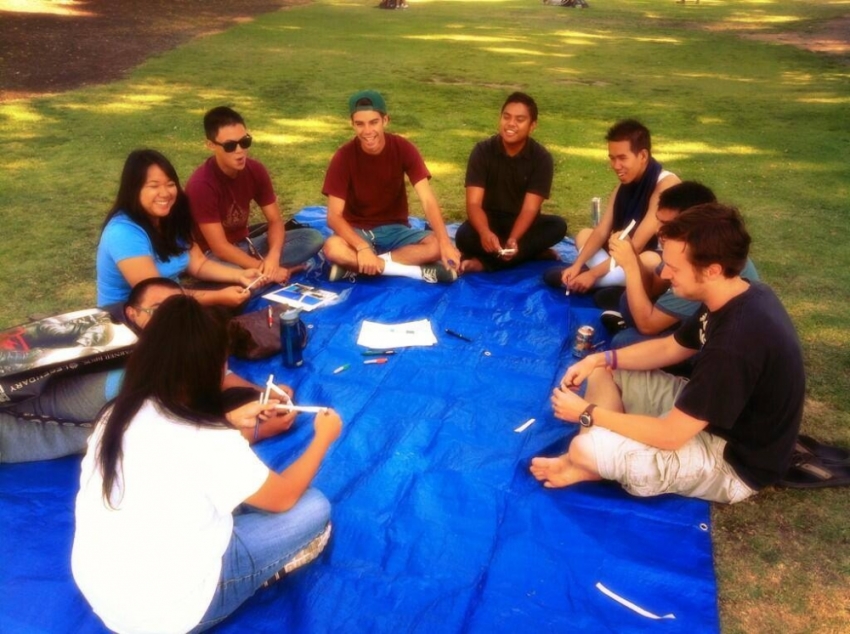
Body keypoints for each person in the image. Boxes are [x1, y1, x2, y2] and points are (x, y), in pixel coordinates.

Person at [72, 294, 341, 633]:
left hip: (103, 588)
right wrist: (323, 438)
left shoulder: (117, 413)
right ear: (207, 369)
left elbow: (184, 453)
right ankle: (259, 573)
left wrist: (230, 421)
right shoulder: (206, 439)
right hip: (170, 613)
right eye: (224, 364)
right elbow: (284, 497)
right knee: (314, 507)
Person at [530, 203, 805, 503]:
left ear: (712, 270)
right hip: (707, 420)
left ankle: (589, 459)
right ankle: (597, 456)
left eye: (674, 266)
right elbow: (669, 346)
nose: (663, 272)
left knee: (582, 448)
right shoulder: (736, 292)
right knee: (601, 371)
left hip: (730, 460)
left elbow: (670, 434)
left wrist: (587, 413)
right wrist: (598, 358)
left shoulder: (735, 344)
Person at [0, 278, 297, 464]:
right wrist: (252, 429)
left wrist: (262, 392)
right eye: (158, 310)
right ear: (132, 313)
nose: (169, 319)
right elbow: (171, 443)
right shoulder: (127, 374)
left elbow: (213, 376)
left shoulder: (156, 349)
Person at [321, 90, 461, 284]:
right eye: (360, 124)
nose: (367, 131)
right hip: (357, 230)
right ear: (352, 124)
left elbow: (428, 200)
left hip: (395, 230)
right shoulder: (343, 157)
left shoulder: (403, 148)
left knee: (438, 244)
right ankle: (414, 272)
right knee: (332, 247)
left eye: (373, 122)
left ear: (385, 120)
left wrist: (445, 243)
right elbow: (333, 216)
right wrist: (362, 248)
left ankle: (358, 268)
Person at [97, 149, 266, 307]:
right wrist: (218, 296)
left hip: (173, 307)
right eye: (154, 186)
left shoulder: (171, 216)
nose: (165, 193)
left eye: (170, 184)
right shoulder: (123, 233)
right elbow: (157, 296)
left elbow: (198, 264)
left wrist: (240, 275)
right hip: (130, 315)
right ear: (134, 190)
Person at [605, 181, 759, 348]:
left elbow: (648, 326)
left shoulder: (701, 262)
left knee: (624, 341)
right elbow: (653, 288)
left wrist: (631, 267)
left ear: (692, 224)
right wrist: (633, 255)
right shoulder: (683, 243)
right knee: (627, 301)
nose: (658, 231)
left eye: (667, 225)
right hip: (697, 327)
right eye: (658, 221)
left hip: (708, 344)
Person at [186, 106, 324, 285]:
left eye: (244, 142)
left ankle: (262, 276)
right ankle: (263, 277)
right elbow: (220, 248)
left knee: (312, 238)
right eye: (230, 146)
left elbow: (275, 220)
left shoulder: (255, 170)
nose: (239, 151)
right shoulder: (201, 185)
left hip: (247, 244)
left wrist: (273, 259)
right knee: (236, 279)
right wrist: (263, 267)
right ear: (211, 145)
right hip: (213, 256)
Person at [544, 119, 680, 292]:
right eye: (612, 158)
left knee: (650, 260)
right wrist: (577, 265)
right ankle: (613, 282)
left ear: (643, 156)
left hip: (654, 262)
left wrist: (592, 274)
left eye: (622, 158)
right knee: (585, 235)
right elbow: (602, 230)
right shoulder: (623, 186)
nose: (616, 166)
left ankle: (597, 282)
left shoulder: (665, 185)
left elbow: (637, 245)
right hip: (622, 255)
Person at [455, 92, 567, 273]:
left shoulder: (541, 158)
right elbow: (473, 203)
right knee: (463, 237)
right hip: (489, 222)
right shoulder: (482, 151)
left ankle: (485, 264)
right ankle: (530, 254)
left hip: (523, 227)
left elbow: (530, 209)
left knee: (558, 226)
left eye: (520, 119)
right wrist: (484, 232)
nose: (511, 124)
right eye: (506, 117)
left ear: (532, 126)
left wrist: (514, 238)